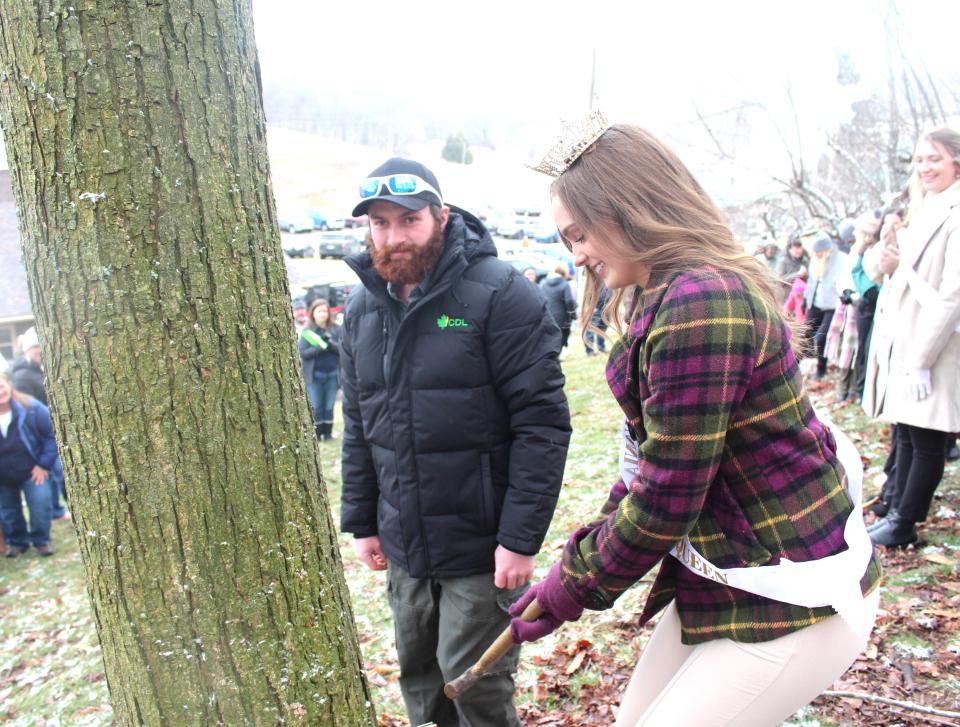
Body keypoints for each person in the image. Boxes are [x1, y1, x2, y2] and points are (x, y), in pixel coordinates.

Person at [511, 120, 881, 726]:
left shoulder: (699, 304)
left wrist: (572, 588)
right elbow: (647, 471)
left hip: (793, 593)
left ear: (627, 208)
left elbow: (664, 499)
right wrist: (568, 573)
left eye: (579, 234)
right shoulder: (670, 297)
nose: (574, 255)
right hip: (729, 577)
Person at [338, 157, 571, 726]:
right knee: (421, 686)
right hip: (404, 544)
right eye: (380, 224)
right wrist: (363, 521)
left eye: (408, 220)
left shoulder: (501, 295)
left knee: (476, 692)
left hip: (480, 547)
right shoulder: (362, 311)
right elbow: (360, 427)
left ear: (441, 217)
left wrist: (519, 540)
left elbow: (542, 425)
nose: (393, 237)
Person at [862, 127, 960, 548]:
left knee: (927, 438)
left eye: (934, 159)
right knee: (905, 431)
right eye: (920, 160)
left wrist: (922, 356)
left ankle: (904, 523)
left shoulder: (955, 211)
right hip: (908, 338)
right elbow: (894, 270)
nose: (924, 168)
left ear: (955, 161)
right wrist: (887, 255)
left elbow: (952, 292)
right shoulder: (926, 206)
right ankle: (896, 504)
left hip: (935, 343)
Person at [0, 370, 62, 558]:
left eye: (1, 386)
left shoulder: (31, 407)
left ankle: (42, 541)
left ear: (9, 384)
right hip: (3, 475)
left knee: (41, 505)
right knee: (9, 511)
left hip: (33, 471)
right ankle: (17, 542)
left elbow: (51, 435)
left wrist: (43, 464)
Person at [803, 231, 847, 380]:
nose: (817, 255)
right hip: (815, 302)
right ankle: (799, 365)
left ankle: (821, 368)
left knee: (821, 337)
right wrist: (806, 298)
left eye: (819, 252)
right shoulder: (815, 260)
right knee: (804, 332)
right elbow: (811, 281)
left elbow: (844, 280)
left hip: (832, 304)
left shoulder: (841, 260)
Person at [298, 298, 341, 440]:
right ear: (313, 313)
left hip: (332, 375)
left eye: (325, 311)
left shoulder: (336, 329)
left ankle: (328, 434)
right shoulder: (308, 331)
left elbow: (343, 349)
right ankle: (316, 434)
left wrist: (329, 344)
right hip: (314, 376)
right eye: (319, 311)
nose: (323, 314)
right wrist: (319, 346)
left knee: (329, 406)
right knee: (316, 406)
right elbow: (303, 353)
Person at [540, 265, 577, 349]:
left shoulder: (544, 283)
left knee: (551, 338)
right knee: (562, 336)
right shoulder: (564, 283)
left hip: (548, 315)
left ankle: (553, 356)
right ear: (564, 273)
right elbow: (569, 300)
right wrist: (572, 314)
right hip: (562, 316)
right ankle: (556, 356)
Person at [10, 327, 47, 405]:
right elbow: (26, 406)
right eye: (35, 347)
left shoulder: (39, 369)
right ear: (26, 350)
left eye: (41, 346)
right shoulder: (21, 376)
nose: (40, 350)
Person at [584, 286, 610, 355]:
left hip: (606, 309)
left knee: (602, 330)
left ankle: (601, 347)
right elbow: (588, 293)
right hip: (596, 309)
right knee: (590, 331)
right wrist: (591, 306)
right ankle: (589, 351)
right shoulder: (594, 279)